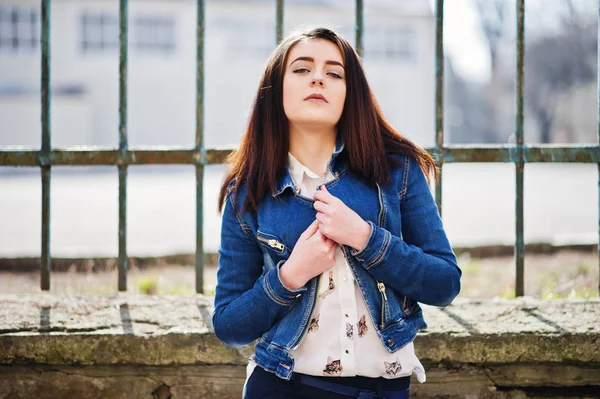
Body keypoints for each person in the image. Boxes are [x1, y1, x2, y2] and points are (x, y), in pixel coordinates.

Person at [212, 27, 461, 399]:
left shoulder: (397, 171)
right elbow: (229, 325)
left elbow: (444, 284)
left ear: (350, 92)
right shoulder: (247, 192)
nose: (318, 78)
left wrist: (365, 239)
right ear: (275, 89)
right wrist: (291, 276)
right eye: (301, 69)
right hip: (283, 387)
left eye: (334, 72)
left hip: (383, 391)